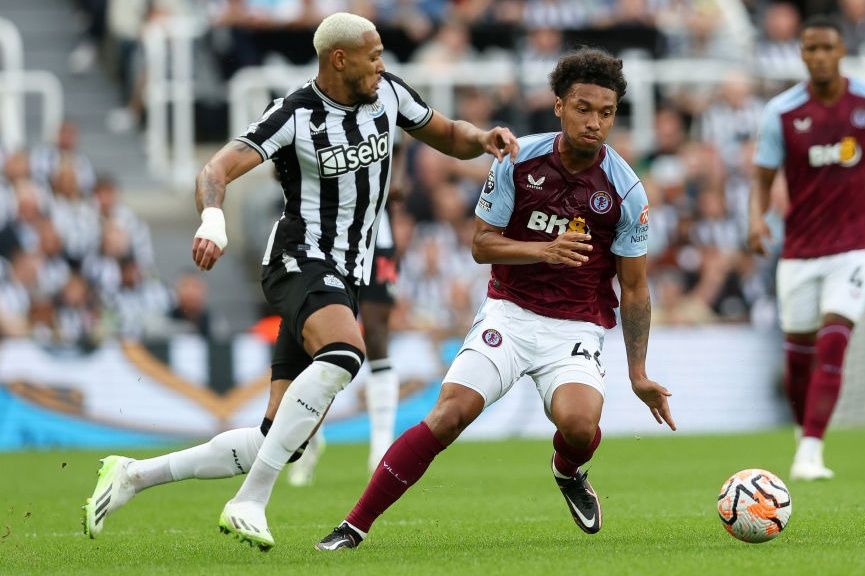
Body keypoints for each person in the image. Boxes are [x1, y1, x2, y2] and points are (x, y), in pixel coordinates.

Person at [82, 12, 518, 551]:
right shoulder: (295, 114)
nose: (382, 64)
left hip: (347, 276)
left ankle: (133, 475)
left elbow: (449, 134)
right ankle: (250, 500)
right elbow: (214, 171)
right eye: (373, 54)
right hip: (300, 260)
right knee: (344, 353)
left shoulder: (389, 95)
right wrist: (212, 220)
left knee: (279, 437)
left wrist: (485, 137)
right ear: (340, 59)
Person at [314, 47, 676, 552]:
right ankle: (353, 526)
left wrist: (638, 373)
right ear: (559, 106)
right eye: (584, 108)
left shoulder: (625, 190)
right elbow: (480, 244)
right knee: (448, 415)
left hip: (574, 328)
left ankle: (568, 471)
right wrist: (545, 249)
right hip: (509, 313)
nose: (595, 122)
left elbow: (634, 288)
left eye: (607, 113)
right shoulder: (519, 158)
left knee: (578, 425)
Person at [747, 15, 865, 482]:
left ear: (841, 50)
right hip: (800, 250)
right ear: (801, 54)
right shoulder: (781, 112)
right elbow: (762, 177)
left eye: (827, 47)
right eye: (811, 49)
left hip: (857, 246)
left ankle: (810, 450)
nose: (819, 56)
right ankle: (805, 432)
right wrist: (756, 220)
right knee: (797, 358)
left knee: (833, 339)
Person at [286, 206, 404, 486]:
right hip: (326, 236)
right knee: (324, 342)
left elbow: (396, 177)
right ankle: (311, 437)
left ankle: (380, 450)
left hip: (377, 236)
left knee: (376, 333)